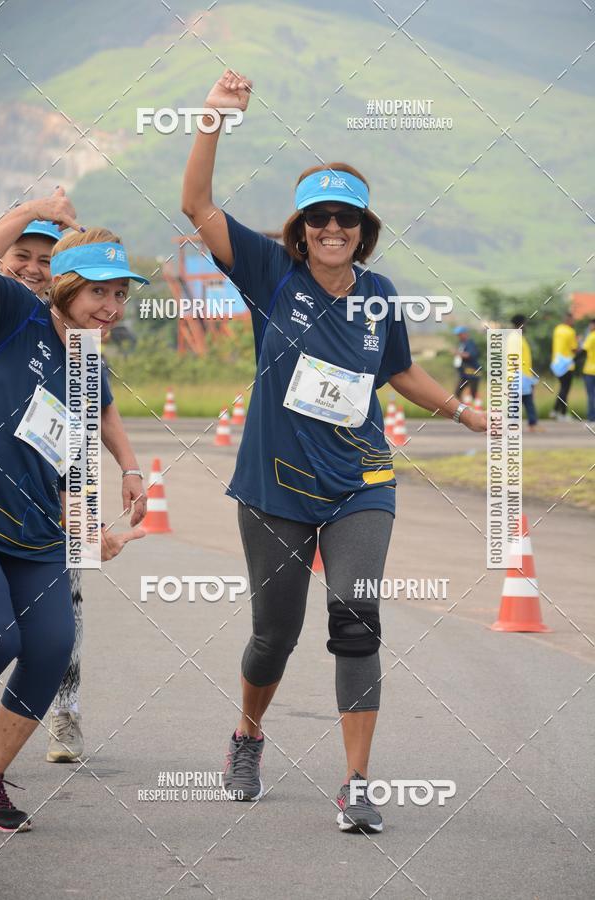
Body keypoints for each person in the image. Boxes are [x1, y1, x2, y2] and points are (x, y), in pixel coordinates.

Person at [182, 69, 487, 834]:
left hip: (361, 481)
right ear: (300, 226)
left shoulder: (381, 293)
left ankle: (356, 783)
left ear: (363, 228)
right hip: (275, 486)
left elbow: (400, 372)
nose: (331, 227)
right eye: (318, 216)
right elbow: (196, 206)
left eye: (345, 218)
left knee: (355, 615)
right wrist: (214, 119)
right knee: (273, 635)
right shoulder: (267, 274)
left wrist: (462, 410)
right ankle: (248, 734)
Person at [0, 227, 149, 832]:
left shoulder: (87, 367)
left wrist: (94, 536)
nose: (110, 309)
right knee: (1, 639)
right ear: (64, 288)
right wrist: (38, 211)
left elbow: (71, 470)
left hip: (35, 532)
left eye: (119, 295)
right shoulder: (15, 314)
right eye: (98, 294)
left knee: (51, 648)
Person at [511, 314, 540, 432]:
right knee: (517, 401)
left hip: (525, 375)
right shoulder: (515, 338)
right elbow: (513, 358)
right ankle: (513, 425)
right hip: (518, 375)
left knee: (527, 400)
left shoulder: (520, 337)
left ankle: (532, 424)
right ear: (521, 324)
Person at [550, 312, 578, 420]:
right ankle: (563, 414)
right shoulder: (570, 331)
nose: (573, 321)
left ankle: (555, 411)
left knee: (562, 388)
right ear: (569, 320)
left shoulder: (557, 329)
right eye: (573, 319)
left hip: (556, 363)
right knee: (565, 389)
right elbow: (574, 349)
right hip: (567, 364)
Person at [453, 325, 481, 401]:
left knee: (473, 394)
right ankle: (463, 410)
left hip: (472, 372)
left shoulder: (469, 343)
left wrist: (457, 353)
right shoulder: (462, 344)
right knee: (458, 392)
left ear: (465, 334)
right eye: (458, 335)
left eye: (460, 334)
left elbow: (470, 355)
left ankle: (477, 410)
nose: (459, 336)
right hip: (465, 374)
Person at [581, 319, 595, 422]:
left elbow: (583, 351)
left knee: (591, 395)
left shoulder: (591, 336)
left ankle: (591, 417)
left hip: (590, 371)